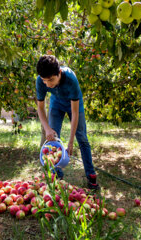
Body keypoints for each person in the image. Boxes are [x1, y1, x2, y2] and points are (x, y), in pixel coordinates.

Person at [35, 55, 100, 190]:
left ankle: (91, 176)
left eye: (51, 80)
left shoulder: (71, 79)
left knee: (82, 138)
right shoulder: (40, 81)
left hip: (74, 105)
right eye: (45, 81)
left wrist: (70, 141)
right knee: (53, 139)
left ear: (59, 73)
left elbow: (75, 113)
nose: (48, 84)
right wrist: (47, 129)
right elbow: (40, 108)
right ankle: (56, 174)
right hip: (56, 103)